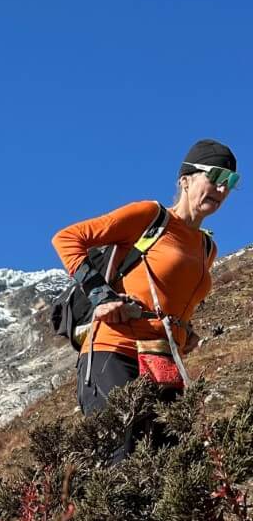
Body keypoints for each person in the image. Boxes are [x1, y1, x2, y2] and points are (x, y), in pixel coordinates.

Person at [52, 138, 239, 460]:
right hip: (115, 351)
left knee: (166, 468)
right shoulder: (150, 216)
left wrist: (185, 330)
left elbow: (171, 297)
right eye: (216, 177)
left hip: (163, 361)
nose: (222, 189)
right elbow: (68, 238)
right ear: (186, 179)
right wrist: (100, 295)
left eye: (231, 182)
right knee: (119, 459)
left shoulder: (207, 249)